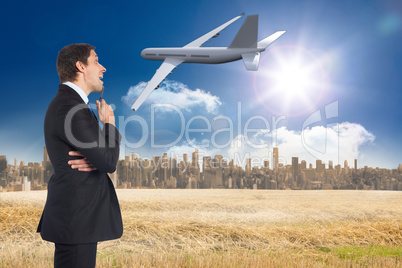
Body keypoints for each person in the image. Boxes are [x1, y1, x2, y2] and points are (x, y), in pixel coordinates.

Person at [37, 43, 123, 268]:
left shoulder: (70, 105)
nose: (103, 68)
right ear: (80, 66)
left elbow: (100, 159)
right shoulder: (71, 108)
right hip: (77, 220)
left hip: (77, 221)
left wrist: (97, 157)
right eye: (96, 61)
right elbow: (107, 161)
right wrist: (109, 125)